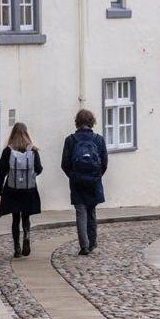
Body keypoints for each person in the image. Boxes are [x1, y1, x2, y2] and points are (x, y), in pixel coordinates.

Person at [61, 109, 108, 255]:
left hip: (77, 182)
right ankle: (92, 242)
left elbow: (64, 164)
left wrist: (74, 176)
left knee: (80, 212)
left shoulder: (70, 140)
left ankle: (84, 246)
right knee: (91, 211)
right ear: (91, 121)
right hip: (94, 182)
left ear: (77, 122)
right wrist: (96, 176)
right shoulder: (98, 139)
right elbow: (104, 162)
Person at [0, 122, 44, 257]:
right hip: (28, 189)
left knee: (15, 219)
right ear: (26, 133)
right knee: (25, 216)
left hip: (13, 189)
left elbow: (1, 172)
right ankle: (26, 235)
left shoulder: (8, 151)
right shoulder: (32, 151)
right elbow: (39, 169)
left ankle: (16, 248)